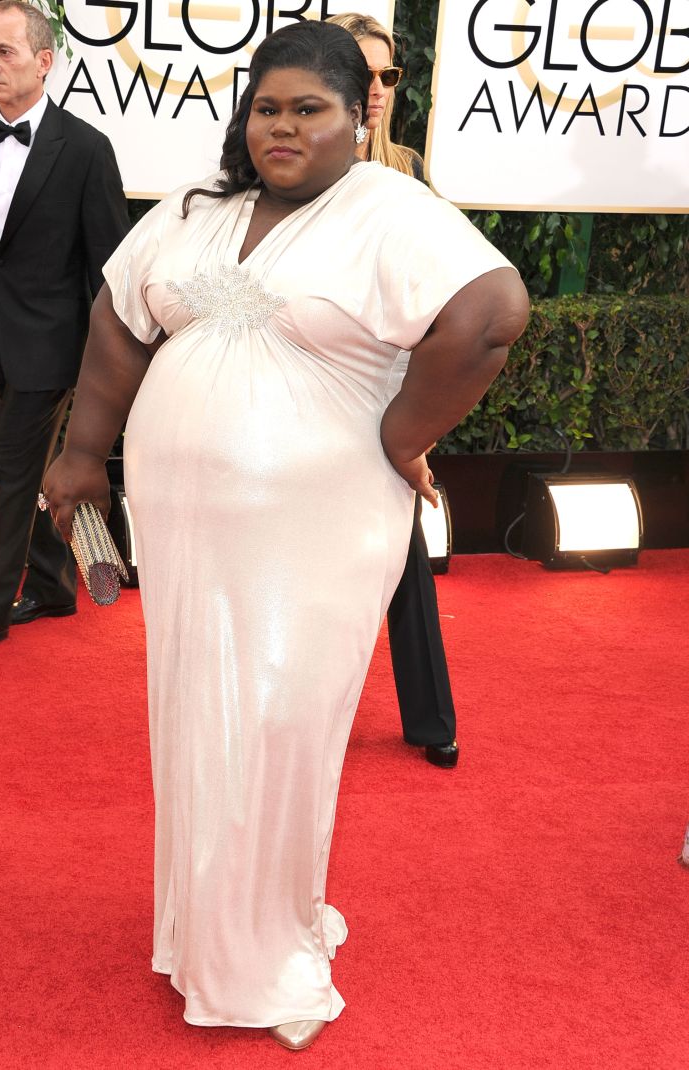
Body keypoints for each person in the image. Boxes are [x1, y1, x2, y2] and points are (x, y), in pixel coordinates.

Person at [43, 20, 528, 1050]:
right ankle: (204, 931)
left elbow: (490, 312)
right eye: (267, 106)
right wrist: (83, 451)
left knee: (277, 719)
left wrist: (402, 433)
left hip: (319, 520)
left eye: (310, 108)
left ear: (358, 118)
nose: (284, 126)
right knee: (201, 709)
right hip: (180, 521)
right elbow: (118, 322)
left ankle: (259, 943)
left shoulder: (390, 211)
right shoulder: (192, 208)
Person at [0, 0, 129, 649]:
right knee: (32, 471)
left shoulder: (86, 150)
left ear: (44, 62)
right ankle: (51, 584)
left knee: (7, 473)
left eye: (4, 52)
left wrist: (108, 366)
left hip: (54, 347)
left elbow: (110, 264)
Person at [329, 12, 461, 769]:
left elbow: (452, 300)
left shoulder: (408, 172)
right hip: (314, 391)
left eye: (388, 75)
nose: (377, 89)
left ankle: (431, 717)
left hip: (389, 400)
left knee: (404, 556)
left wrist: (418, 424)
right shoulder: (297, 168)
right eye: (363, 73)